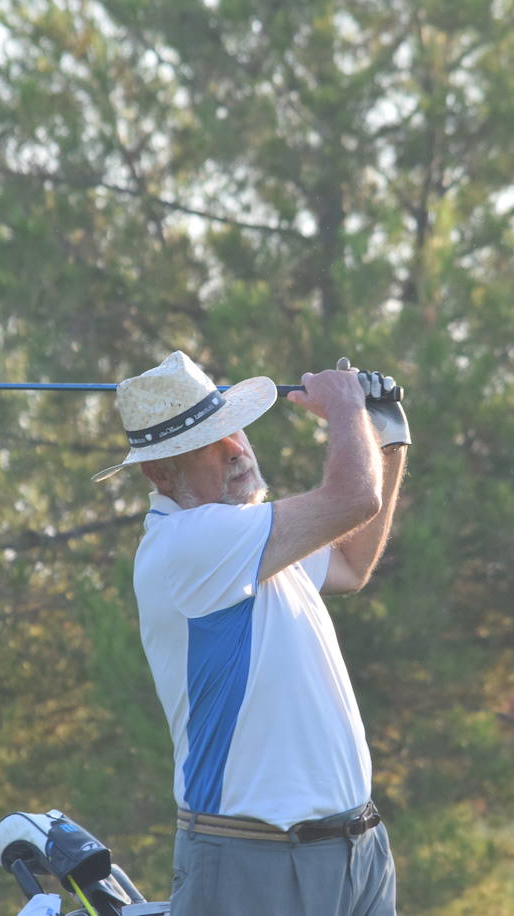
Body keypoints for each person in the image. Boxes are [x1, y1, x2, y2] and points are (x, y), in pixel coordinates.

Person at [93, 351, 410, 916]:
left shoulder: (246, 535)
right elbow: (353, 499)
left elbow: (350, 565)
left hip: (356, 850)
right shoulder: (188, 543)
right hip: (254, 859)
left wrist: (386, 438)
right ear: (160, 473)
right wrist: (344, 410)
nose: (237, 450)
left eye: (233, 429)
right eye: (210, 446)